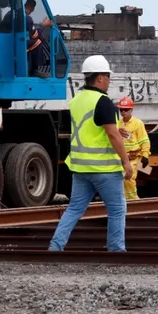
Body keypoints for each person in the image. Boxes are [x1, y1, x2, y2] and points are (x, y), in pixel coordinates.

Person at [49, 55, 133, 252]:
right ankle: (116, 251)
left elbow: (89, 128)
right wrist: (126, 162)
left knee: (74, 209)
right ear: (100, 78)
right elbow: (112, 135)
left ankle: (55, 247)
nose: (109, 81)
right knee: (116, 210)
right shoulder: (103, 101)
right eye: (108, 77)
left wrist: (113, 130)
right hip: (104, 168)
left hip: (80, 167)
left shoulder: (77, 100)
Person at [117, 96, 151, 200]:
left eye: (126, 109)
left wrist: (145, 155)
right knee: (120, 180)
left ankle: (134, 199)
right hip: (121, 158)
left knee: (129, 177)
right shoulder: (118, 124)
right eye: (121, 109)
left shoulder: (137, 123)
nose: (123, 112)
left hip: (133, 157)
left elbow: (144, 140)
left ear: (131, 109)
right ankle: (125, 200)